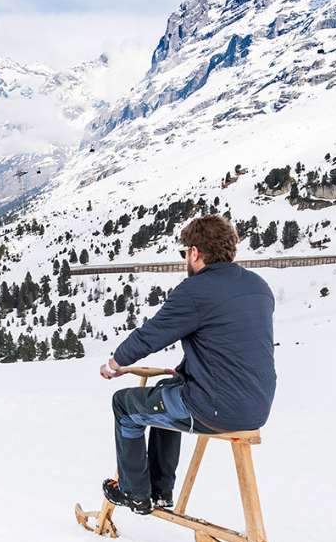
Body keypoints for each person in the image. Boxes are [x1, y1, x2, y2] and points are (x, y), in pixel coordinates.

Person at [96, 215, 275, 514]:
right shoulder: (258, 287)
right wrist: (183, 371)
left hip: (214, 408)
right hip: (257, 406)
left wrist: (115, 363)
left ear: (195, 252)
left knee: (124, 405)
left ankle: (134, 493)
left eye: (184, 253)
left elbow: (151, 334)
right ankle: (160, 492)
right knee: (168, 388)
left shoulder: (196, 290)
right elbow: (228, 345)